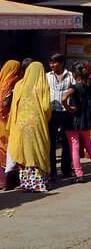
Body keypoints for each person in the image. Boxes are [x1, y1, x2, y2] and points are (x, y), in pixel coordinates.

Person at [10, 62, 52, 192]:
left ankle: (26, 184)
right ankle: (38, 184)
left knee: (24, 152)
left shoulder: (19, 85)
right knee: (37, 151)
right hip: (36, 124)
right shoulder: (42, 85)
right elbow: (46, 107)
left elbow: (14, 106)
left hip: (20, 125)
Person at [62, 63, 91, 183]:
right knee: (89, 144)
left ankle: (79, 174)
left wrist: (67, 107)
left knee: (74, 146)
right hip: (86, 120)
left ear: (74, 74)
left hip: (73, 120)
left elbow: (64, 98)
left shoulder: (74, 87)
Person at [45, 53, 74, 180]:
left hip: (66, 112)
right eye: (50, 62)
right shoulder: (47, 76)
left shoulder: (71, 76)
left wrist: (69, 93)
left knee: (66, 141)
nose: (52, 65)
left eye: (54, 62)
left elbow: (76, 89)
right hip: (52, 112)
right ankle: (52, 171)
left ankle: (66, 169)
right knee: (51, 142)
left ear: (61, 63)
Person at [0, 60, 23, 190]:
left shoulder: (1, 81)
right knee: (10, 148)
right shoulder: (13, 82)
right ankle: (8, 180)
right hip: (8, 121)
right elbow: (6, 103)